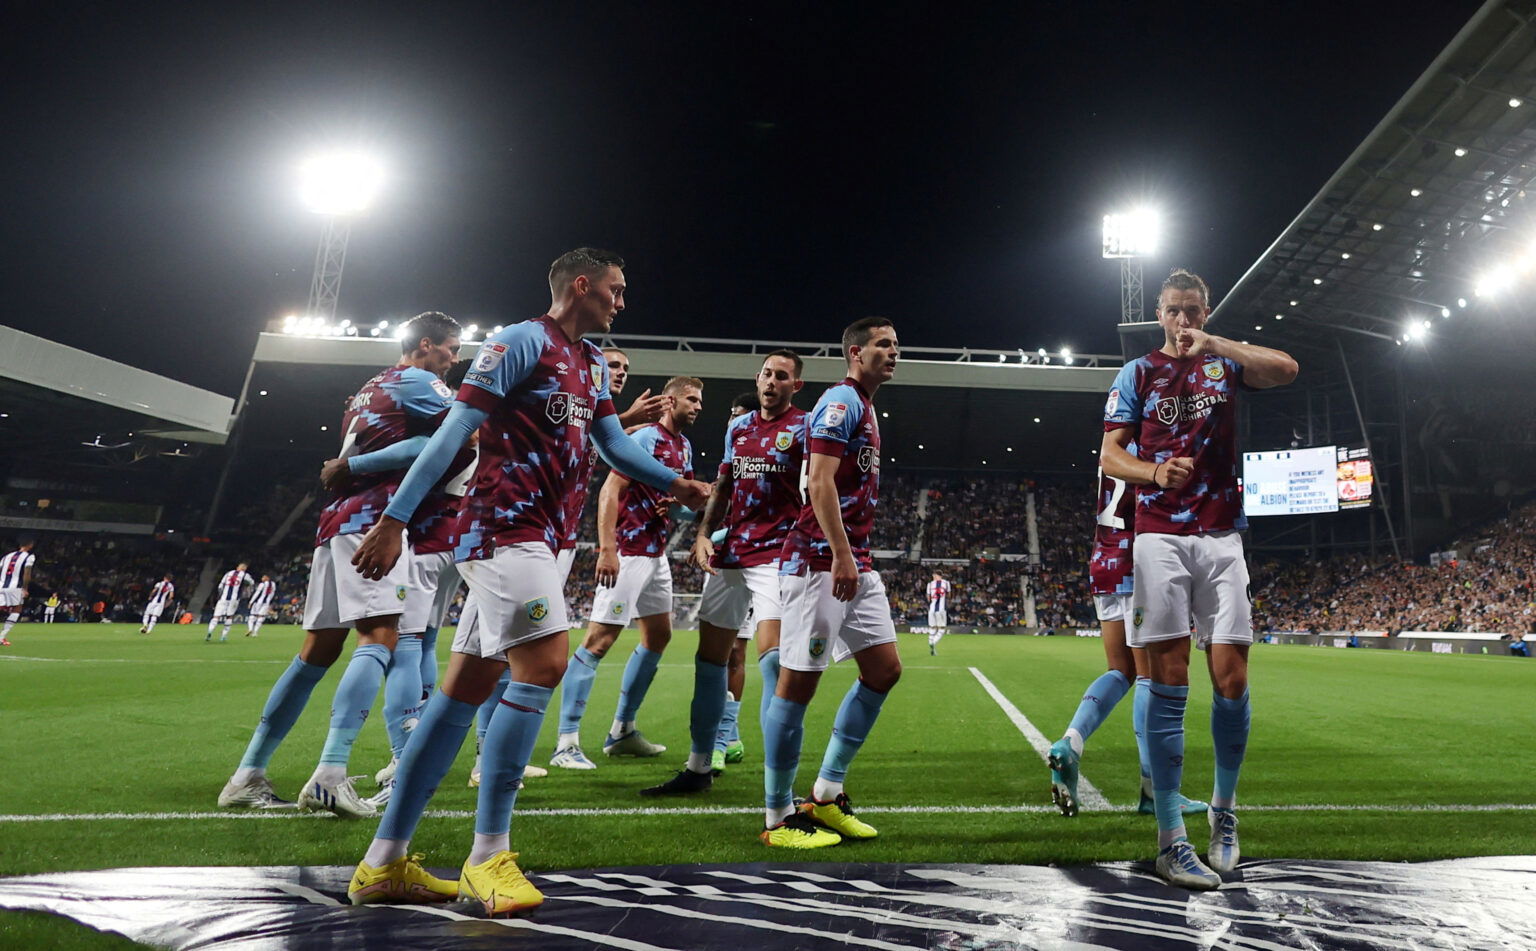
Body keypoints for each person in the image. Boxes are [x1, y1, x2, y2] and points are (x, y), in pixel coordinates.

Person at [343, 248, 710, 914]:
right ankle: (488, 855)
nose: (622, 300)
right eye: (615, 289)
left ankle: (382, 860)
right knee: (543, 662)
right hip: (501, 529)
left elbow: (611, 445)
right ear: (581, 285)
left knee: (465, 689)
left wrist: (674, 481)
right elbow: (456, 429)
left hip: (550, 539)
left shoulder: (592, 362)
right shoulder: (520, 342)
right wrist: (395, 518)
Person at [217, 311, 461, 816]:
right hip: (374, 522)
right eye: (450, 349)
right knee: (379, 638)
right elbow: (450, 438)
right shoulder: (421, 381)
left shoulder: (368, 388)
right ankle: (331, 771)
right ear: (424, 345)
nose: (454, 361)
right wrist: (359, 466)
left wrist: (351, 464)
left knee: (315, 653)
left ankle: (247, 773)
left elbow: (400, 444)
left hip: (336, 522)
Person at [1102, 268, 1297, 890]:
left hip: (1221, 534)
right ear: (1158, 313)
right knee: (1168, 674)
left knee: (1232, 677)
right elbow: (1110, 456)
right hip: (1158, 534)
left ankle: (1223, 813)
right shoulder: (1137, 373)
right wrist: (1155, 475)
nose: (1182, 320)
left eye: (1193, 310)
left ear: (1205, 311)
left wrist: (1218, 346)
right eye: (1173, 310)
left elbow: (1286, 369)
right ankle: (1170, 839)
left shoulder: (1224, 363)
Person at [761, 317, 900, 849]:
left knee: (884, 669)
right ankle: (777, 818)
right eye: (883, 345)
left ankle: (825, 792)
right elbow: (818, 480)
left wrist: (852, 557)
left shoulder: (863, 405)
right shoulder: (840, 403)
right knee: (797, 687)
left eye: (895, 345)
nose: (892, 353)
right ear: (854, 352)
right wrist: (841, 554)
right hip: (819, 562)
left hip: (853, 562)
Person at [643, 353, 807, 796]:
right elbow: (726, 486)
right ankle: (698, 766)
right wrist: (702, 535)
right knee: (709, 661)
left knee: (773, 663)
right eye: (767, 374)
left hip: (778, 555)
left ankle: (780, 791)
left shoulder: (806, 429)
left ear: (797, 385)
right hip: (732, 550)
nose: (772, 382)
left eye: (782, 376)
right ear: (758, 380)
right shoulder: (739, 427)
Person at [550, 375, 703, 769]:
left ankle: (622, 730)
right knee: (598, 641)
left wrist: (681, 506)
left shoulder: (683, 446)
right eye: (691, 399)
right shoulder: (645, 438)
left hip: (656, 554)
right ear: (669, 402)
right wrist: (608, 549)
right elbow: (610, 490)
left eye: (699, 401)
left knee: (659, 636)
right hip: (629, 551)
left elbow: (682, 508)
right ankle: (566, 742)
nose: (698, 406)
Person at [1047, 466, 1208, 820]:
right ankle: (1154, 792)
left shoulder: (1111, 450)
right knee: (1152, 676)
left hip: (1104, 559)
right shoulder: (1149, 442)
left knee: (1120, 670)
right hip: (1138, 561)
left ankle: (1071, 741)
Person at [0, 541, 36, 645]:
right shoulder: (29, 556)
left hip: (1, 586)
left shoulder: (6, 556)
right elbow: (27, 573)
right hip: (15, 587)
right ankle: (2, 636)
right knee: (17, 609)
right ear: (30, 545)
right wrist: (25, 588)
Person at [205, 563, 252, 642]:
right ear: (244, 569)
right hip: (234, 600)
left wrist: (221, 595)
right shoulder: (245, 575)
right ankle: (223, 636)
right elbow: (251, 583)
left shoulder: (228, 573)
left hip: (223, 598)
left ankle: (210, 631)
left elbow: (220, 586)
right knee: (229, 617)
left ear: (237, 567)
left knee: (216, 616)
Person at [925, 571, 950, 654]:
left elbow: (928, 598)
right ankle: (933, 643)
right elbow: (949, 595)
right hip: (941, 610)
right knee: (941, 629)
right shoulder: (946, 583)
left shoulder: (929, 584)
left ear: (936, 575)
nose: (933, 576)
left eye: (933, 575)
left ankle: (931, 646)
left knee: (932, 628)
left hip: (931, 610)